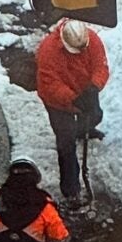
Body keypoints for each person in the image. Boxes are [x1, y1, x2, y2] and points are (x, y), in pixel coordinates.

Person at [35, 18, 110, 207]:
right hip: (58, 102)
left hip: (85, 90)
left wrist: (93, 87)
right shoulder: (48, 50)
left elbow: (101, 67)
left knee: (95, 116)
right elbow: (50, 84)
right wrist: (73, 100)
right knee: (66, 144)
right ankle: (71, 190)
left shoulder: (92, 40)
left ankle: (83, 129)